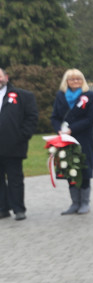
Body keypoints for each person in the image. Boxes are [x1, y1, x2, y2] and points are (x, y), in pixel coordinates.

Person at [49, 69, 93, 215]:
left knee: (84, 169)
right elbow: (55, 116)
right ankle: (74, 203)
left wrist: (72, 129)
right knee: (69, 168)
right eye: (72, 79)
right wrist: (59, 129)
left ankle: (85, 203)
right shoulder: (60, 96)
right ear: (67, 81)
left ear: (83, 80)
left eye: (78, 79)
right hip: (65, 139)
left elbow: (91, 119)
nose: (75, 81)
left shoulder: (90, 96)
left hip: (83, 137)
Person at [0, 67, 39, 221]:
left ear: (6, 77)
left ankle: (18, 209)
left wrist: (23, 136)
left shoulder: (23, 96)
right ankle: (2, 208)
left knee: (15, 178)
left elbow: (32, 117)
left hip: (14, 145)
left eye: (0, 76)